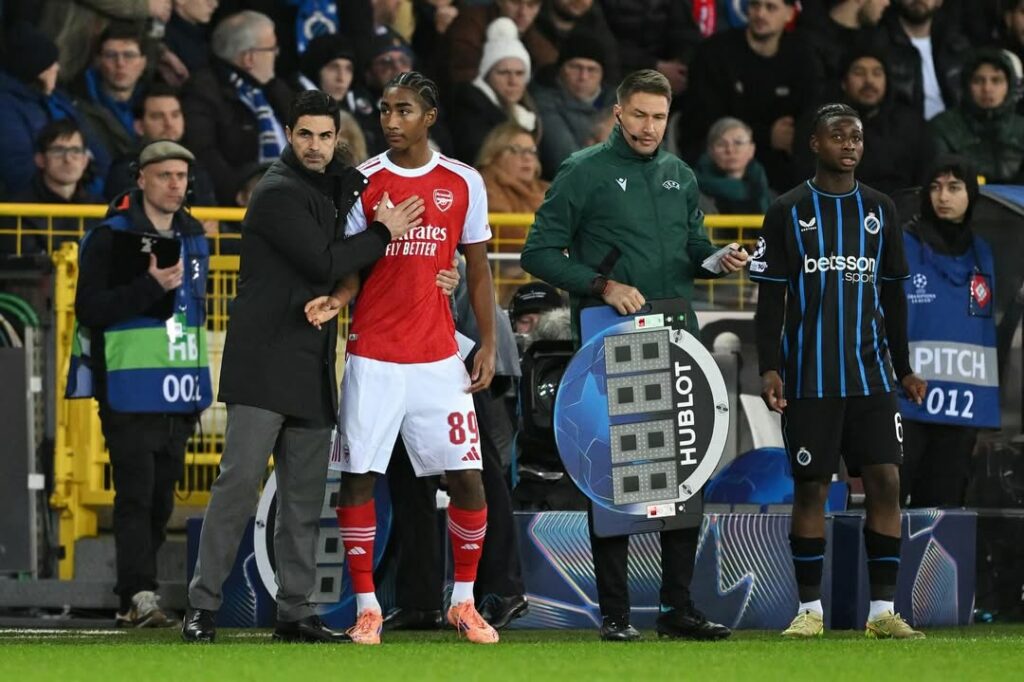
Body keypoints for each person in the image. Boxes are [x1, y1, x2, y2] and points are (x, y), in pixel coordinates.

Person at [181, 90, 425, 644]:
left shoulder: (340, 184)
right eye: (305, 135)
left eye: (325, 135)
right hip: (264, 360)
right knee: (239, 486)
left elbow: (352, 254)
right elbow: (324, 260)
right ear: (289, 136)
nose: (315, 146)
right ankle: (202, 606)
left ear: (337, 137)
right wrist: (385, 231)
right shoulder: (275, 193)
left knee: (303, 498)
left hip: (312, 363)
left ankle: (295, 611)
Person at [520, 69, 744, 642]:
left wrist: (716, 260)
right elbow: (538, 252)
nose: (649, 127)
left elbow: (692, 247)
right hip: (610, 341)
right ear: (617, 113)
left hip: (675, 335)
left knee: (681, 480)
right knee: (617, 482)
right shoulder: (583, 171)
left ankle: (677, 608)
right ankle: (616, 615)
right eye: (639, 115)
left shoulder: (680, 175)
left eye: (659, 117)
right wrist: (601, 286)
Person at [304, 71, 501, 646]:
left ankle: (462, 602)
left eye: (404, 110)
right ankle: (367, 607)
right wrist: (339, 300)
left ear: (429, 117)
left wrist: (486, 343)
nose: (391, 120)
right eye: (386, 110)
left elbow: (479, 267)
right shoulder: (362, 180)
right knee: (359, 478)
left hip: (439, 358)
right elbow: (353, 263)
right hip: (375, 357)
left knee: (468, 479)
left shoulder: (464, 181)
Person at [750, 102, 928, 640]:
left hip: (871, 375)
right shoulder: (787, 210)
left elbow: (895, 296)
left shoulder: (880, 211)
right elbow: (770, 299)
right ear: (815, 144)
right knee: (811, 487)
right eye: (837, 135)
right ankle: (809, 611)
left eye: (856, 136)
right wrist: (770, 367)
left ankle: (881, 614)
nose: (849, 144)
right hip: (809, 376)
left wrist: (904, 367)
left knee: (886, 482)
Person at [71, 139, 210, 628]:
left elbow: (195, 314)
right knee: (135, 494)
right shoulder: (110, 238)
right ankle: (137, 593)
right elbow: (89, 309)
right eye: (165, 175)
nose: (176, 184)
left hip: (178, 388)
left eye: (181, 176)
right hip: (129, 387)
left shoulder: (194, 234)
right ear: (142, 179)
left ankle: (138, 593)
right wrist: (150, 287)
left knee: (160, 498)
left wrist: (198, 385)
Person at [899, 156, 997, 507]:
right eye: (936, 187)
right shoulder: (900, 244)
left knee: (942, 512)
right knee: (889, 504)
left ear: (970, 195)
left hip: (960, 408)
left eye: (954, 188)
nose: (943, 196)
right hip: (907, 402)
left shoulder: (983, 253)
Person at [681, 0, 820, 192]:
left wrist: (794, 138)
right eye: (755, 5)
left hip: (782, 166)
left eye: (770, 7)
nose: (760, 14)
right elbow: (703, 122)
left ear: (789, 13)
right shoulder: (714, 53)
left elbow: (810, 112)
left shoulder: (802, 56)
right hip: (719, 162)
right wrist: (767, 135)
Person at [181, 10, 294, 204]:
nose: (276, 55)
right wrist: (239, 193)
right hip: (241, 207)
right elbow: (203, 152)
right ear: (249, 58)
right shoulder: (203, 90)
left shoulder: (278, 90)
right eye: (272, 49)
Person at [793, 47, 932, 195]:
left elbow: (924, 178)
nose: (869, 81)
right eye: (859, 73)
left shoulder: (910, 123)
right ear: (844, 83)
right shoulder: (820, 124)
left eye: (877, 73)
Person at [4, 120, 104, 256]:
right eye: (58, 151)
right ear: (40, 159)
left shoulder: (101, 209)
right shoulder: (16, 213)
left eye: (75, 150)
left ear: (85, 160)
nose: (68, 159)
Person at [450, 17, 539, 166]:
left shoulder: (527, 113)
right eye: (504, 73)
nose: (512, 81)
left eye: (519, 74)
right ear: (487, 76)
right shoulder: (470, 106)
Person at [928, 48, 1024, 184]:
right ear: (967, 86)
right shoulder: (944, 128)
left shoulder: (1021, 129)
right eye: (978, 81)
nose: (987, 89)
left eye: (996, 81)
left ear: (1009, 86)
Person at [532, 28, 611, 177]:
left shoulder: (618, 102)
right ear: (560, 69)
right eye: (575, 67)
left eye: (592, 70)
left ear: (602, 75)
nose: (583, 77)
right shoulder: (544, 103)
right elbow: (569, 164)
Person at [878, 0, 970, 121]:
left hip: (954, 131)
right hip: (904, 133)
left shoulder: (957, 45)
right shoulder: (880, 44)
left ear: (939, 2)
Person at [72, 22, 151, 159]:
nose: (120, 63)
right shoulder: (79, 107)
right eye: (110, 55)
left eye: (129, 55)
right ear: (98, 61)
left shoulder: (156, 102)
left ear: (143, 63)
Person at [694, 117, 773, 215]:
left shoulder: (766, 195)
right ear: (710, 151)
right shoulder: (694, 193)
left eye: (738, 143)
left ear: (751, 149)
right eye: (721, 144)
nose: (730, 150)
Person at [476, 122, 549, 214]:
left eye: (531, 151)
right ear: (495, 155)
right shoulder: (485, 189)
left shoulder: (548, 189)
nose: (527, 157)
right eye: (515, 150)